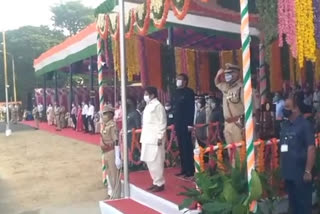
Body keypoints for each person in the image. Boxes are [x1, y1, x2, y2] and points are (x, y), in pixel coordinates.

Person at [280, 94, 315, 214]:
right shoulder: (285, 125)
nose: (284, 109)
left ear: (295, 108)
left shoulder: (305, 125)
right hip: (289, 174)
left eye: (287, 106)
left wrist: (308, 171)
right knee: (293, 207)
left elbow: (311, 148)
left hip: (301, 174)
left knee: (303, 207)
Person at [140, 87, 167, 192]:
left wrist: (160, 136)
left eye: (146, 94)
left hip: (155, 138)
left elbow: (162, 122)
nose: (145, 96)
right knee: (149, 160)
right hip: (147, 137)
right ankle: (155, 181)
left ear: (152, 95)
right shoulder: (148, 106)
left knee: (156, 160)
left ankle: (160, 183)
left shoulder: (158, 106)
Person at [172, 73, 195, 178]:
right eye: (177, 79)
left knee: (187, 147)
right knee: (181, 147)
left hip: (186, 123)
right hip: (178, 123)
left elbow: (191, 109)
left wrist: (190, 124)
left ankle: (190, 170)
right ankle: (183, 169)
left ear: (185, 81)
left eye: (180, 79)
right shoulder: (176, 92)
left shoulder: (189, 92)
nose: (177, 80)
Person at [215, 63, 244, 145]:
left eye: (230, 73)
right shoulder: (226, 87)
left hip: (238, 124)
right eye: (226, 74)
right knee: (231, 153)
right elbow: (217, 83)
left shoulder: (241, 88)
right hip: (227, 124)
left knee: (240, 152)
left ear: (236, 74)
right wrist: (218, 75)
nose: (227, 76)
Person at [100, 104, 122, 199]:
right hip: (106, 152)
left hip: (112, 151)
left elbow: (116, 141)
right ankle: (112, 193)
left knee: (114, 175)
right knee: (109, 174)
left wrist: (117, 157)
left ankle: (116, 195)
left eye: (105, 114)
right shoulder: (106, 125)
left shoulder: (112, 125)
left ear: (110, 115)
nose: (103, 116)